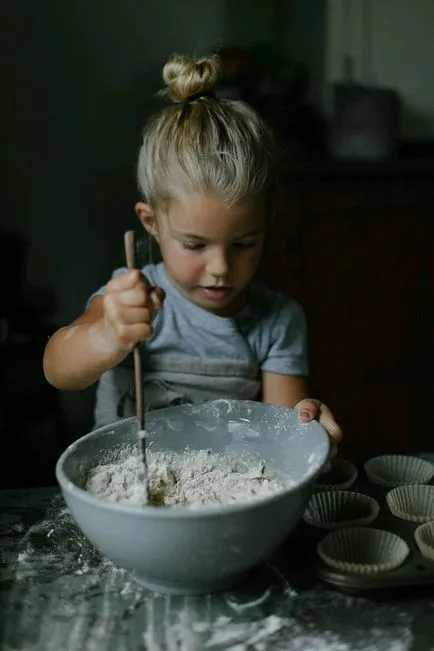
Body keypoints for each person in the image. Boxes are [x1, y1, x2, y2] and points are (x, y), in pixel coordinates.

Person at [43, 53, 342, 463]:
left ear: (267, 223)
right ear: (152, 223)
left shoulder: (277, 322)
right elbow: (57, 369)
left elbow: (283, 431)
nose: (220, 269)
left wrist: (307, 436)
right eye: (195, 245)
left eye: (243, 243)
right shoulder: (129, 299)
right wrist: (106, 337)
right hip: (125, 499)